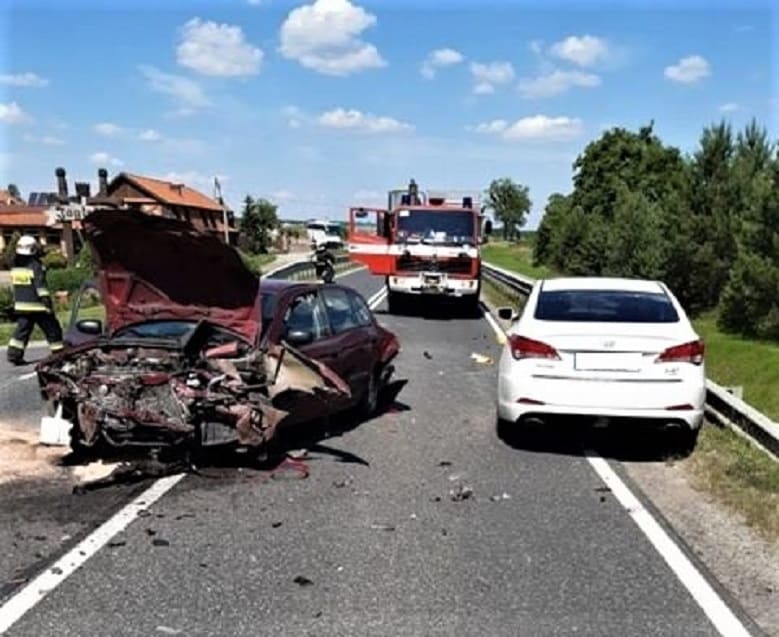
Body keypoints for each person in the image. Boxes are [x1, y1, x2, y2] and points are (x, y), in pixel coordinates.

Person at [6, 235, 64, 365]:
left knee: (22, 331)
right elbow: (40, 285)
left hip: (21, 306)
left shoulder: (16, 265)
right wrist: (46, 301)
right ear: (33, 249)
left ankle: (14, 355)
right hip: (37, 306)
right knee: (52, 328)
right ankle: (59, 353)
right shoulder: (35, 265)